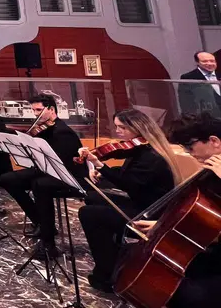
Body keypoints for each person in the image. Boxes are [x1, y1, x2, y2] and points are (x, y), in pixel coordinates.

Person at [76, 109, 179, 293]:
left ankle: (106, 273)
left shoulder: (152, 156)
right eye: (116, 126)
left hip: (149, 212)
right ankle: (114, 250)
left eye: (123, 127)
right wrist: (96, 163)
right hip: (141, 200)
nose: (118, 132)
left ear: (138, 128)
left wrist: (101, 166)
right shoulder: (140, 148)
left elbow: (131, 184)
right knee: (92, 196)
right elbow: (125, 170)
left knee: (88, 214)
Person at [151, 113, 221, 308]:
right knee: (160, 277)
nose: (189, 153)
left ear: (214, 141)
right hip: (213, 247)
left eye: (190, 146)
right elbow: (201, 215)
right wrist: (161, 225)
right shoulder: (211, 170)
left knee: (184, 290)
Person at [0, 93, 87, 258]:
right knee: (7, 179)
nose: (35, 114)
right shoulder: (44, 128)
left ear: (51, 109)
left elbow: (62, 165)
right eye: (33, 110)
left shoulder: (62, 132)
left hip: (67, 176)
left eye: (39, 110)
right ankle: (39, 219)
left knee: (40, 185)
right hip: (46, 169)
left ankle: (48, 240)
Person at [178, 52, 221, 116]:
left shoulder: (219, 74)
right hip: (206, 118)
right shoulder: (188, 77)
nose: (209, 63)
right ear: (197, 62)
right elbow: (185, 102)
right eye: (204, 61)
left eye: (212, 61)